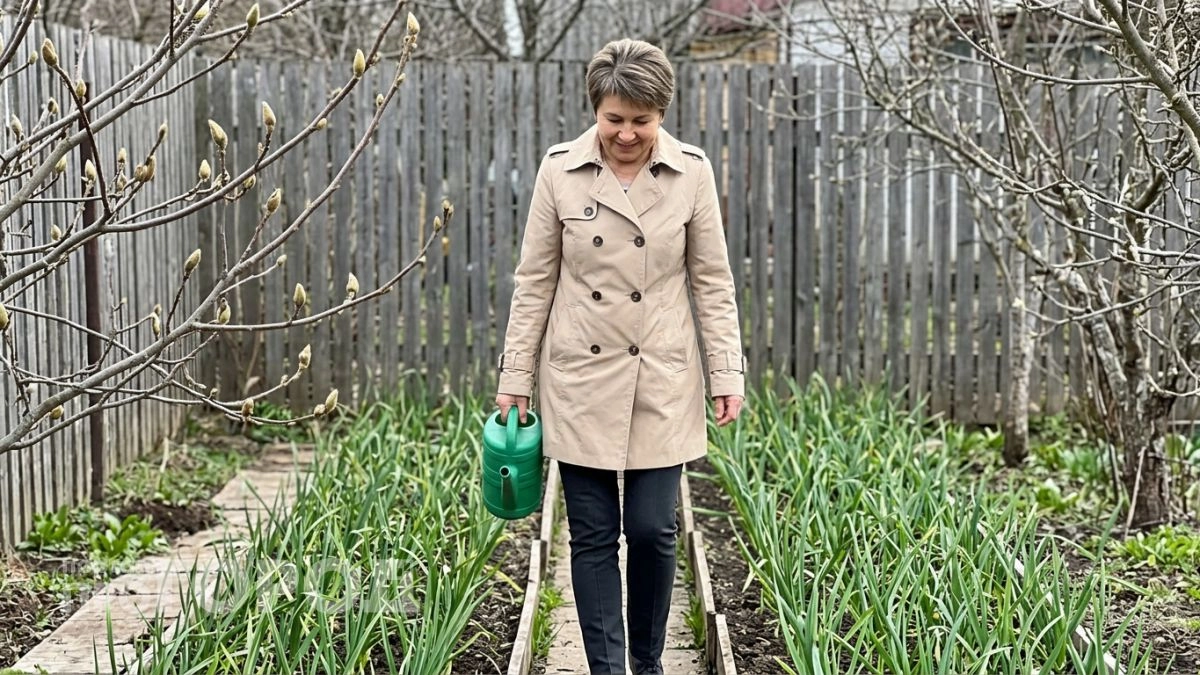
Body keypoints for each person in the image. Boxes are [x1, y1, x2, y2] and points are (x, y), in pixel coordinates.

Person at [494, 38, 745, 675]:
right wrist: (515, 377)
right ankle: (607, 669)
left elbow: (712, 280)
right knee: (594, 533)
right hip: (580, 372)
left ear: (661, 113)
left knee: (658, 530)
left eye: (642, 120)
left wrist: (726, 371)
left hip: (661, 370)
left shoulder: (692, 172)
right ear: (595, 110)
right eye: (614, 119)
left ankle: (648, 661)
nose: (627, 134)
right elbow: (535, 281)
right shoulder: (560, 170)